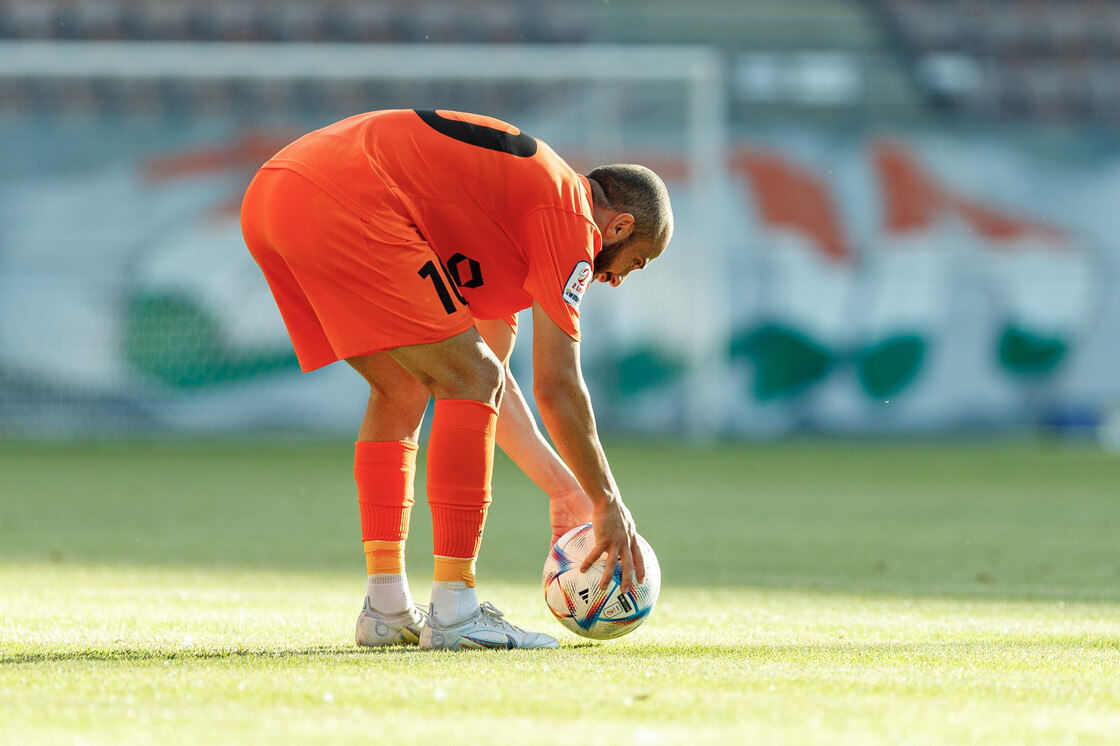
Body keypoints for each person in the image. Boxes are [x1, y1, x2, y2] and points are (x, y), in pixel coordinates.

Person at [240, 109, 673, 650]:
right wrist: (607, 501)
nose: (614, 280)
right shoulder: (572, 218)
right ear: (620, 226)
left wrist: (566, 490)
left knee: (405, 385)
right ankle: (455, 611)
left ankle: (386, 607)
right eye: (634, 263)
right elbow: (555, 388)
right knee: (464, 379)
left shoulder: (508, 230)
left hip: (275, 194)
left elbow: (491, 391)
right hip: (341, 194)